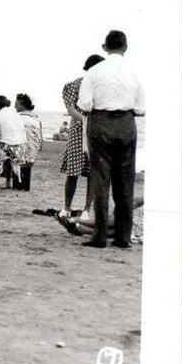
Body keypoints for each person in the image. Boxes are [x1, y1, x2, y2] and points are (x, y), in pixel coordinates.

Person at [77, 30, 146, 249]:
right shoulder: (133, 73)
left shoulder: (95, 72)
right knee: (125, 181)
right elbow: (141, 109)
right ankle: (123, 237)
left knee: (101, 178)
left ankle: (99, 235)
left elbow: (85, 105)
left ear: (104, 47)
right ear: (125, 47)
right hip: (126, 123)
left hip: (101, 122)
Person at [58, 55, 106, 224]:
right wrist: (87, 121)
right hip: (80, 131)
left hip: (95, 131)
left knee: (93, 172)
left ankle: (86, 210)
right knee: (74, 171)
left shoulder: (102, 87)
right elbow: (71, 110)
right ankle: (67, 207)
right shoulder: (74, 85)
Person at [13, 93, 43, 190]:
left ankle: (16, 185)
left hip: (20, 151)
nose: (14, 106)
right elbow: (39, 137)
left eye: (16, 104)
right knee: (26, 167)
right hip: (32, 151)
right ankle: (25, 186)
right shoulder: (35, 119)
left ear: (21, 105)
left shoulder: (17, 118)